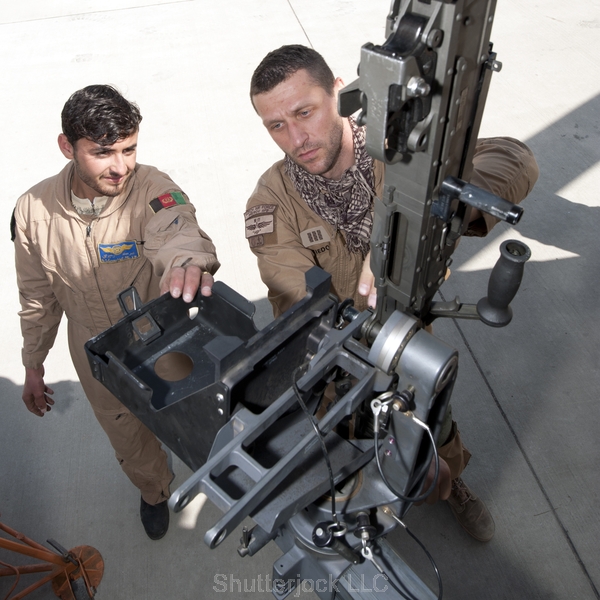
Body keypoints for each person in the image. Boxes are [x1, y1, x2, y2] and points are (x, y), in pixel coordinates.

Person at [244, 45, 539, 542]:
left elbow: (515, 157)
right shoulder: (273, 201)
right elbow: (293, 296)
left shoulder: (403, 154)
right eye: (276, 125)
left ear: (339, 92)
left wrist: (410, 224)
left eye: (304, 112)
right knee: (346, 458)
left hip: (409, 336)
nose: (295, 139)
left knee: (432, 426)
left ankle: (450, 483)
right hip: (336, 360)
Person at [12, 85, 220, 541]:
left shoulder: (152, 188)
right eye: (103, 152)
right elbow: (37, 297)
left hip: (160, 334)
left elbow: (179, 230)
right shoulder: (32, 212)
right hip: (96, 352)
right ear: (67, 147)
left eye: (129, 149)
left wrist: (186, 264)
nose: (121, 167)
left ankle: (223, 473)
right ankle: (154, 491)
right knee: (125, 433)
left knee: (196, 412)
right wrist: (33, 364)